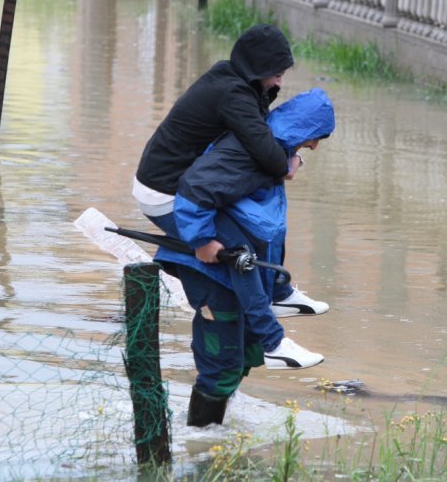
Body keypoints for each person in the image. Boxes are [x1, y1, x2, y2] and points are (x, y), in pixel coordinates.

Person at [154, 88, 336, 426]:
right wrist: (202, 240)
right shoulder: (247, 153)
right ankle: (201, 443)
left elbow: (266, 227)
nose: (313, 147)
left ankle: (217, 434)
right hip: (209, 266)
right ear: (300, 131)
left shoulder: (272, 153)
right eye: (314, 138)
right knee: (221, 359)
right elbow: (194, 193)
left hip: (238, 266)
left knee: (247, 351)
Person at [132, 23, 327, 317]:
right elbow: (273, 161)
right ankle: (269, 333)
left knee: (261, 224)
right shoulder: (233, 94)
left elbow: (264, 146)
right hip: (165, 192)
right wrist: (292, 161)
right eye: (277, 75)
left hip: (189, 185)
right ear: (258, 68)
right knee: (240, 247)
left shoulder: (239, 81)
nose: (279, 84)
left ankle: (278, 293)